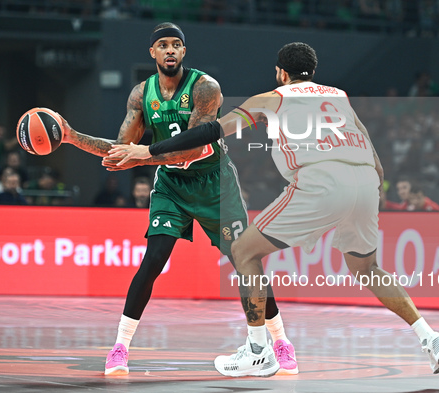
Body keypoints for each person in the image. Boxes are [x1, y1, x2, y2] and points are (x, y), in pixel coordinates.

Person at [112, 42, 439, 377]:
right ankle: (432, 338)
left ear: (281, 73)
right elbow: (370, 149)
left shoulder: (271, 99)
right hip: (366, 182)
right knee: (368, 269)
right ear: (313, 72)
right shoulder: (338, 96)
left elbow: (210, 131)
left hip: (322, 181)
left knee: (243, 250)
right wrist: (370, 189)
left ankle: (258, 351)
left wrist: (149, 151)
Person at [60, 23, 297, 376]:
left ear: (184, 52)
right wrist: (70, 135)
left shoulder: (204, 88)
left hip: (215, 184)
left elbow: (195, 145)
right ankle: (120, 348)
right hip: (172, 186)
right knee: (153, 259)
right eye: (162, 45)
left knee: (245, 263)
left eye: (176, 45)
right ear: (152, 53)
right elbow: (121, 150)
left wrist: (141, 155)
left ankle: (280, 342)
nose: (170, 50)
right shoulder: (141, 95)